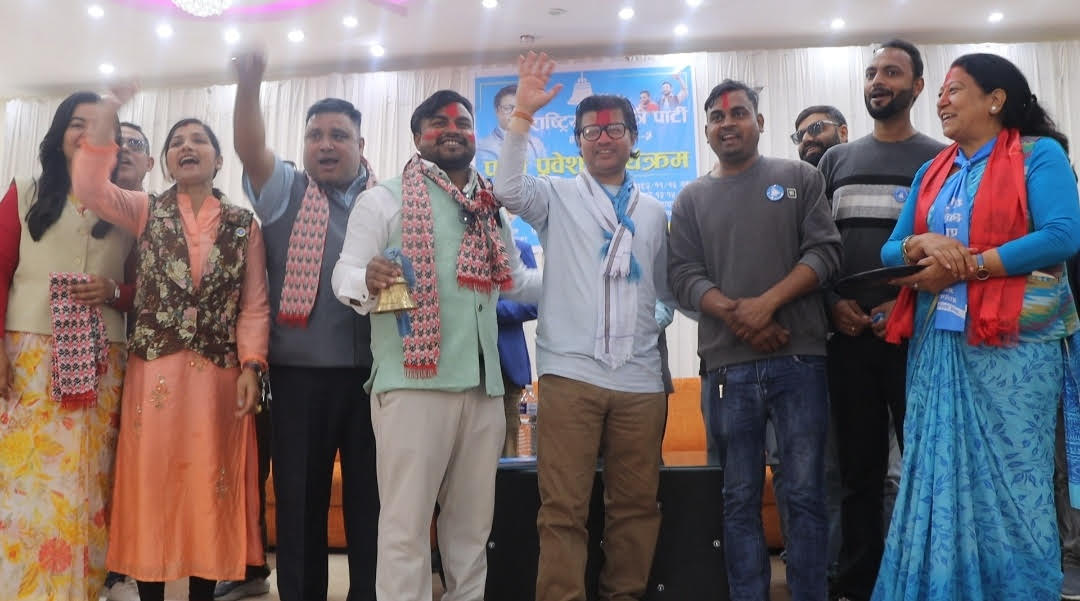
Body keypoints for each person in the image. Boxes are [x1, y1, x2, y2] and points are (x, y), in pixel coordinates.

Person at [875, 53, 1080, 601]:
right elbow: (890, 250)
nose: (941, 100)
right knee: (937, 476)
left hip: (1014, 349)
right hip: (939, 346)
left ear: (996, 99)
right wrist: (920, 244)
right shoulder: (932, 171)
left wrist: (969, 265)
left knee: (1014, 483)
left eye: (955, 89)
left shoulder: (1039, 155)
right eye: (941, 92)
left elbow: (1062, 234)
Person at [331, 89, 540, 601]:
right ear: (416, 136)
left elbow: (515, 282)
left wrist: (583, 279)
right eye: (437, 122)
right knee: (405, 527)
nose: (452, 130)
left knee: (472, 529)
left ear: (474, 136)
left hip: (484, 388)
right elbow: (344, 274)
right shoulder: (383, 199)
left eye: (462, 123)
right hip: (412, 387)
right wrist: (367, 277)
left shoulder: (489, 208)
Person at [73, 85, 269, 601]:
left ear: (219, 159)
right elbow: (90, 186)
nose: (187, 146)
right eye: (177, 141)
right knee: (154, 484)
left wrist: (252, 365)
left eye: (198, 139)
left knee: (210, 485)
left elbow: (253, 305)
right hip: (155, 373)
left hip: (219, 379)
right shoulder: (145, 210)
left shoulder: (243, 225)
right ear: (164, 162)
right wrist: (108, 113)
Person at [495, 51, 675, 601]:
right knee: (563, 509)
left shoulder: (653, 212)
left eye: (614, 128)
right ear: (577, 141)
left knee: (636, 507)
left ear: (633, 138)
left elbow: (665, 290)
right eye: (591, 131)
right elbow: (507, 189)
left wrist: (654, 317)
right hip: (570, 376)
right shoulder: (556, 197)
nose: (603, 138)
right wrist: (523, 115)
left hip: (640, 381)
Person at [668, 78, 842, 601]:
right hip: (727, 369)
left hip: (800, 361)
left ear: (759, 122)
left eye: (739, 113)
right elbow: (683, 275)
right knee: (737, 496)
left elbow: (825, 254)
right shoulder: (691, 198)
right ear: (706, 130)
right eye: (718, 117)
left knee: (805, 492)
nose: (728, 124)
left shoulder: (800, 177)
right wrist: (739, 315)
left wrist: (766, 305)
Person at [231, 51, 380, 601]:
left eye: (339, 135)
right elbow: (250, 149)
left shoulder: (386, 201)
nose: (325, 144)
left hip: (375, 378)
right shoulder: (285, 193)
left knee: (373, 504)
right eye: (315, 134)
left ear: (361, 145)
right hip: (298, 378)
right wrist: (250, 84)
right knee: (297, 504)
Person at [815, 40, 945, 601]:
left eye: (891, 72)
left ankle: (923, 580)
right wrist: (831, 304)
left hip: (917, 337)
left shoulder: (941, 159)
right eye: (871, 73)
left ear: (917, 86)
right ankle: (858, 582)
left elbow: (951, 248)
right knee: (858, 471)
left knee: (925, 465)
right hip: (847, 337)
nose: (877, 81)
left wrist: (903, 305)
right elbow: (816, 247)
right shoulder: (835, 162)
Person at [0, 91, 135, 601]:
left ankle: (84, 589)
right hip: (30, 357)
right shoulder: (24, 191)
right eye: (78, 124)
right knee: (26, 478)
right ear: (59, 135)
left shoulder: (127, 209)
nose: (88, 134)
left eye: (102, 127)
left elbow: (148, 289)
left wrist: (115, 292)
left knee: (89, 478)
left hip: (102, 361)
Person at [103, 120, 155, 601]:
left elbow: (165, 292)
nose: (124, 151)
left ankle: (125, 567)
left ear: (150, 162)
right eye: (117, 143)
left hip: (150, 359)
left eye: (135, 145)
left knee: (135, 464)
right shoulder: (87, 209)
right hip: (87, 349)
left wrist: (118, 293)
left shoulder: (159, 216)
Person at [497, 237, 538, 457]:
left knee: (508, 448)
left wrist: (488, 311)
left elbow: (533, 304)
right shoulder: (453, 247)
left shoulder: (520, 249)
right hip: (464, 366)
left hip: (507, 367)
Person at [475, 83, 547, 174]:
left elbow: (545, 176)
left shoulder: (537, 144)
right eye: (508, 108)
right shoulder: (485, 147)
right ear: (497, 111)